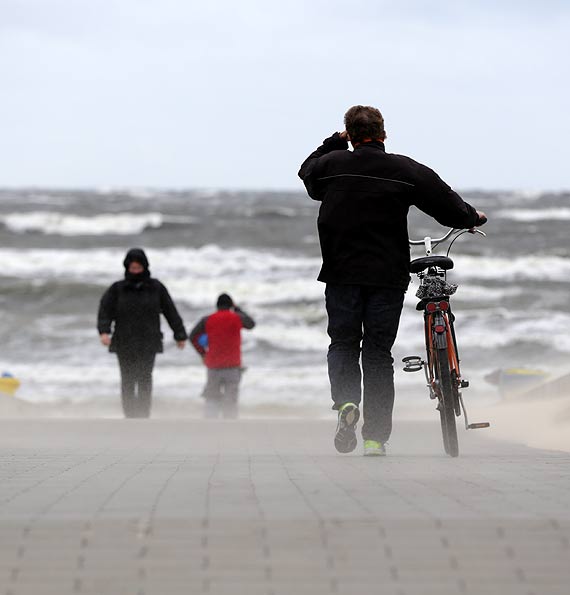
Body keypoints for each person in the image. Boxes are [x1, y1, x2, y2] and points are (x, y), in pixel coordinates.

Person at [298, 105, 487, 456]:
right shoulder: (403, 169)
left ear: (349, 135)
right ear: (383, 133)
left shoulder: (332, 166)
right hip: (386, 276)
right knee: (377, 354)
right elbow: (443, 200)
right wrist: (469, 217)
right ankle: (374, 439)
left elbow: (307, 173)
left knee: (342, 343)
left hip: (341, 273)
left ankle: (345, 405)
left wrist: (333, 143)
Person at [97, 248, 187, 418]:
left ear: (145, 267)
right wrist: (104, 332)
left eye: (139, 268)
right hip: (124, 341)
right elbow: (105, 311)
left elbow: (170, 311)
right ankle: (130, 415)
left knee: (145, 378)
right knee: (128, 379)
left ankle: (144, 414)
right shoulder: (117, 289)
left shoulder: (156, 288)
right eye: (133, 268)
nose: (136, 271)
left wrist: (180, 334)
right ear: (127, 268)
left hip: (149, 341)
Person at [189, 293, 255, 419]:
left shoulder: (207, 319)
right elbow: (251, 324)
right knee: (231, 401)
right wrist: (237, 309)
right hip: (233, 366)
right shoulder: (237, 318)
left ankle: (210, 426)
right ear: (230, 305)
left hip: (213, 366)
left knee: (212, 399)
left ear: (217, 306)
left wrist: (203, 353)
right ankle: (229, 427)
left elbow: (193, 337)